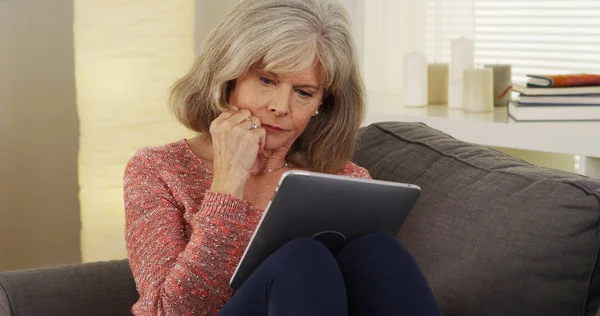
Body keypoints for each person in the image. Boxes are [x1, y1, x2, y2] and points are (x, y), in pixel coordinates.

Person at [123, 0, 441, 315]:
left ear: (321, 105)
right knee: (302, 257)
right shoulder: (158, 170)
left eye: (303, 92)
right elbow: (168, 312)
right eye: (267, 80)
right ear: (228, 80)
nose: (280, 106)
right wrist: (228, 181)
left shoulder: (344, 180)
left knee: (379, 251)